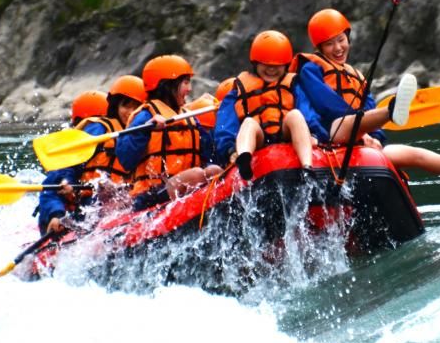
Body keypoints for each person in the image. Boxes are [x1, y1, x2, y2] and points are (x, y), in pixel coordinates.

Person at [294, 8, 440, 180]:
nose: (338, 48)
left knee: (415, 155)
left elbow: (370, 112)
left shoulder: (358, 76)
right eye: (330, 44)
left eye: (341, 40)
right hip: (330, 138)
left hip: (362, 146)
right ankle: (392, 110)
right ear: (319, 48)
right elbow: (324, 105)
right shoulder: (310, 68)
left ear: (348, 37)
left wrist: (375, 138)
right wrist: (358, 133)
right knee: (341, 123)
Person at [213, 30, 329, 180]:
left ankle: (307, 166)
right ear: (255, 62)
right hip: (259, 139)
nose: (271, 69)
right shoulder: (239, 89)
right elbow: (226, 122)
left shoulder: (293, 84)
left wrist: (315, 133)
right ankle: (243, 158)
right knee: (249, 122)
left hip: (285, 132)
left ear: (286, 65)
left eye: (277, 65)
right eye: (266, 64)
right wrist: (229, 149)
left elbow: (307, 110)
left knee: (295, 115)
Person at [36, 76, 146, 234]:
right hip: (88, 208)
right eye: (125, 106)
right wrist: (56, 214)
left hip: (118, 204)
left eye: (136, 107)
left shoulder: (139, 135)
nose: (130, 112)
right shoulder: (99, 130)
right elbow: (57, 178)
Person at [115, 54, 222, 210]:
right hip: (150, 195)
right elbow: (125, 159)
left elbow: (210, 153)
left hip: (184, 185)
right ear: (167, 85)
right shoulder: (145, 116)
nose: (189, 89)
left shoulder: (188, 116)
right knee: (198, 174)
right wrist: (146, 130)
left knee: (214, 170)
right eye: (185, 83)